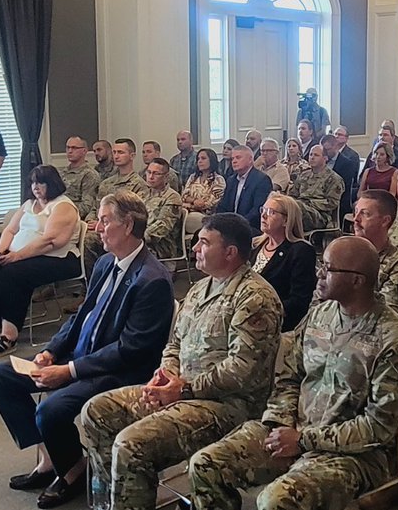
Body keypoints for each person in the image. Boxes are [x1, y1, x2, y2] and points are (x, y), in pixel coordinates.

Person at [188, 236, 398, 510]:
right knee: (205, 464)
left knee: (275, 501)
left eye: (329, 269)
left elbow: (377, 428)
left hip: (356, 455)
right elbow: (288, 377)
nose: (319, 274)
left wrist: (304, 440)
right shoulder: (319, 315)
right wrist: (282, 422)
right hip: (294, 429)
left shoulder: (393, 341)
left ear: (357, 280)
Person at [78, 213, 283, 510]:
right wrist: (165, 375)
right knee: (97, 411)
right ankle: (110, 504)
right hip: (180, 392)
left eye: (204, 242)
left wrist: (183, 389)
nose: (195, 248)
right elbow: (175, 343)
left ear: (230, 252)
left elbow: (243, 370)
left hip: (227, 406)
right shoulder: (200, 288)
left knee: (131, 443)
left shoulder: (254, 297)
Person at [0, 191, 175, 509]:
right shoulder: (104, 263)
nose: (97, 227)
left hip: (117, 371)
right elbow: (81, 317)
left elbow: (131, 349)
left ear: (127, 226)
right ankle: (50, 461)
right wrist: (51, 352)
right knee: (0, 377)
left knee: (51, 410)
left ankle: (72, 471)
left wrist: (68, 371)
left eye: (104, 220)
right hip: (80, 356)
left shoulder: (152, 279)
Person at [0, 165, 81, 357]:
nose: (36, 187)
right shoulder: (29, 204)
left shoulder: (63, 206)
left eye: (41, 182)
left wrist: (16, 257)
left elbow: (50, 241)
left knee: (12, 275)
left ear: (52, 184)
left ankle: (8, 336)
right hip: (20, 254)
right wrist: (0, 252)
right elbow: (10, 230)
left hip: (58, 258)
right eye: (33, 182)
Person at [252, 195, 317, 331]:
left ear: (286, 220)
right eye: (263, 210)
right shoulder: (255, 244)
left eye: (271, 212)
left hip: (276, 321)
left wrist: (262, 312)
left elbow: (299, 301)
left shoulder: (300, 251)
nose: (263, 215)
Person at [352, 190, 398, 320]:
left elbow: (386, 318)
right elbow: (320, 303)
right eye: (356, 211)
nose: (356, 219)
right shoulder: (343, 255)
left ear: (385, 221)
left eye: (365, 214)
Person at [86, 139, 147, 229]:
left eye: (120, 152)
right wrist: (89, 221)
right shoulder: (106, 183)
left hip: (119, 230)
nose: (116, 156)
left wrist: (103, 224)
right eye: (114, 152)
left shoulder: (138, 184)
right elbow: (95, 208)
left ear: (132, 156)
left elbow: (134, 216)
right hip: (98, 227)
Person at [218, 145, 273, 236]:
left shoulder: (261, 180)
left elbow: (257, 210)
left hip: (250, 227)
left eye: (238, 158)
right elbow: (223, 205)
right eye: (232, 159)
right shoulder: (231, 180)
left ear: (250, 159)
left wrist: (238, 224)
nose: (234, 161)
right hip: (231, 225)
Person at [288, 146, 344, 233]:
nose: (312, 157)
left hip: (320, 216)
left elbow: (332, 203)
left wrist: (307, 204)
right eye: (310, 155)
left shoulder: (334, 178)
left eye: (316, 155)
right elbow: (292, 194)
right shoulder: (303, 175)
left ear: (325, 158)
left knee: (297, 207)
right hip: (299, 209)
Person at [181, 148, 226, 229]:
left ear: (211, 161)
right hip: (188, 212)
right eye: (198, 159)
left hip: (209, 217)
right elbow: (184, 196)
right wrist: (194, 201)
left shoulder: (219, 180)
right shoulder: (193, 177)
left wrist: (189, 205)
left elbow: (210, 204)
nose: (200, 161)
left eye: (203, 158)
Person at [57, 136, 101, 219]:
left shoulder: (89, 175)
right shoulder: (61, 173)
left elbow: (87, 206)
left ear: (84, 151)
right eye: (68, 147)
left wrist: (63, 215)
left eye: (74, 148)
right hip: (57, 212)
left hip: (73, 218)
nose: (70, 151)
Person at [324, 131, 360, 220]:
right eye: (323, 150)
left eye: (327, 150)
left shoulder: (347, 164)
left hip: (338, 201)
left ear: (335, 147)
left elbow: (344, 189)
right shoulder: (322, 160)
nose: (325, 153)